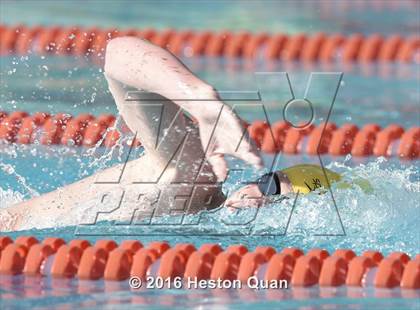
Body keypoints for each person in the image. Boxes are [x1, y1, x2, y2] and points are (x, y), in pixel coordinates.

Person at [0, 37, 370, 232]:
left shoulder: (194, 200)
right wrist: (200, 100)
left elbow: (118, 53)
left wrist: (201, 101)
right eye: (268, 183)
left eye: (272, 188)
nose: (254, 196)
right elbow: (117, 54)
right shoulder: (188, 185)